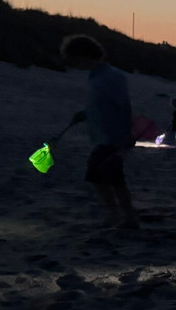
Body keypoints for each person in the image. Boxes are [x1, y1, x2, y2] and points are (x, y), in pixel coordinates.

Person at [58, 34, 140, 229]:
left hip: (113, 137)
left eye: (75, 60)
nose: (75, 65)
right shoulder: (94, 77)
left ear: (85, 56)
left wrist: (127, 134)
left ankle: (126, 217)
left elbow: (123, 106)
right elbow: (101, 105)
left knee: (111, 178)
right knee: (101, 177)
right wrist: (84, 114)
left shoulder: (111, 77)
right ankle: (118, 215)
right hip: (101, 137)